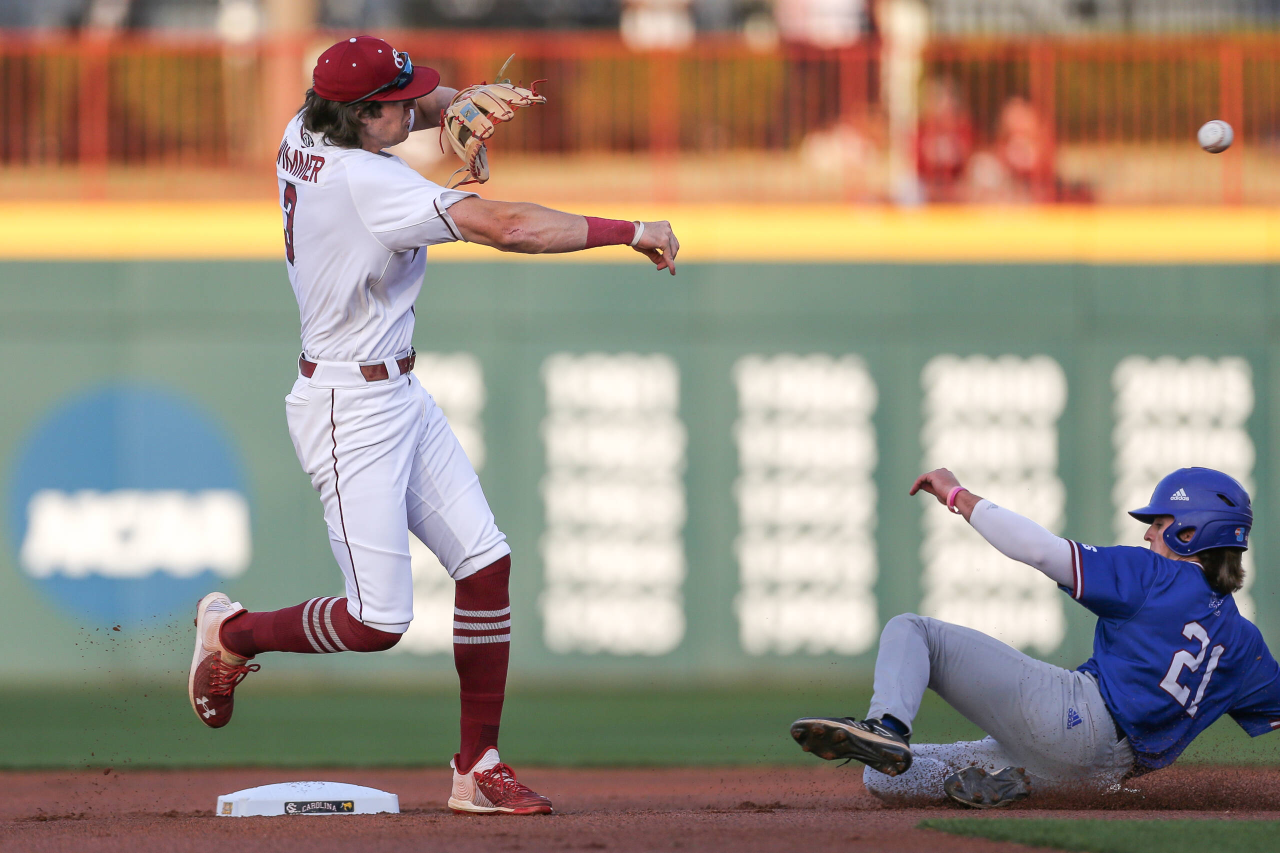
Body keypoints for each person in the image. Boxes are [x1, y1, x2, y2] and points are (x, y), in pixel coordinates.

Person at [186, 34, 679, 816]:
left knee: (486, 564)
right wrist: (630, 229)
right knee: (377, 620)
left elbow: (393, 110)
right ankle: (235, 632)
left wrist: (458, 100)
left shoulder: (304, 129)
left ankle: (476, 766)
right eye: (401, 100)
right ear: (360, 113)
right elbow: (510, 225)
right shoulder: (369, 184)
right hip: (349, 408)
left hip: (397, 392)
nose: (418, 105)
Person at [792, 466, 1280, 808]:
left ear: (1191, 533)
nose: (1149, 534)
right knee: (882, 779)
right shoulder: (1244, 644)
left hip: (1072, 720)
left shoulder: (1156, 575)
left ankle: (886, 728)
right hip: (1101, 777)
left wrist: (957, 495)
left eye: (1159, 522)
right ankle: (1016, 786)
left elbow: (1040, 551)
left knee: (913, 630)